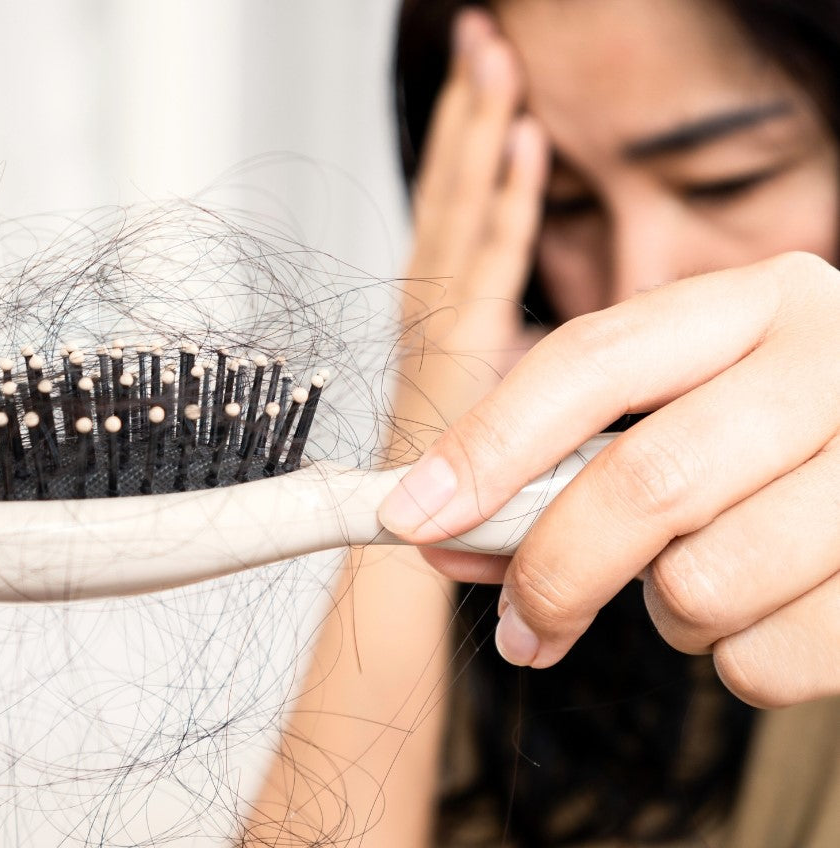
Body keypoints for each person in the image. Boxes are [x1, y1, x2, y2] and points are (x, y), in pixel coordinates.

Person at [244, 0, 840, 845]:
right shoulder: (504, 600)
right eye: (564, 204)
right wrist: (433, 404)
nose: (636, 281)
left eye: (724, 180)